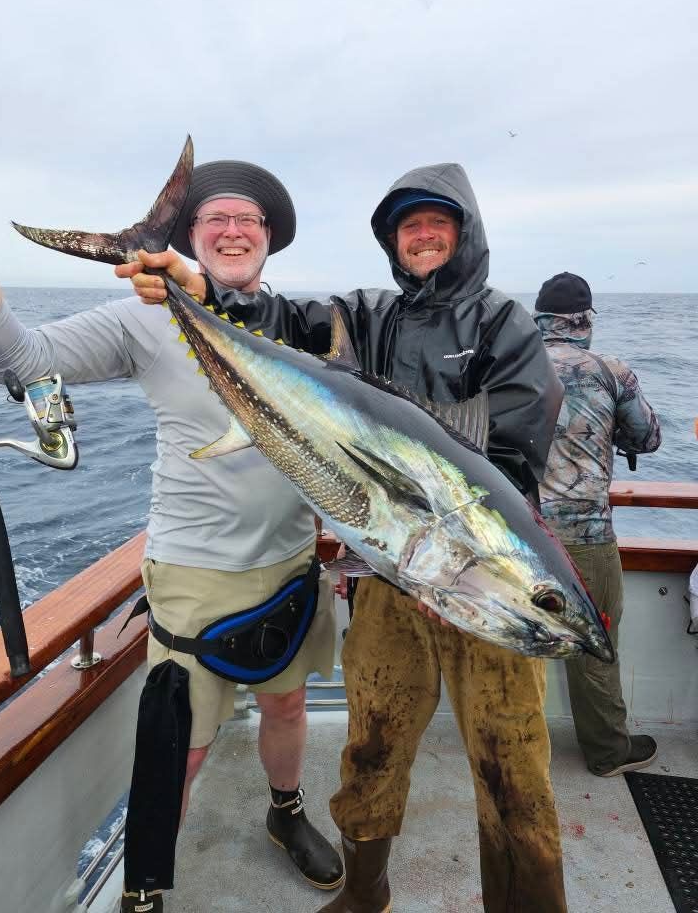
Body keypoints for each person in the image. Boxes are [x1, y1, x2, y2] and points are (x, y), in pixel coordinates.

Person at [125, 163, 569, 913]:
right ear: (392, 243)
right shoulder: (370, 317)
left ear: (466, 234)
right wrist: (198, 287)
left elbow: (515, 461)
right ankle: (366, 895)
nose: (422, 236)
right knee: (372, 746)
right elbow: (279, 325)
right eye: (408, 226)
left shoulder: (503, 323)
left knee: (511, 769)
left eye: (437, 222)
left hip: (486, 586)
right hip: (391, 578)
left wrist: (457, 570)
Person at [0, 161, 343, 913]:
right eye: (216, 220)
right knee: (186, 746)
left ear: (269, 239)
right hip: (195, 573)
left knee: (289, 707)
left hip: (295, 562)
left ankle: (286, 809)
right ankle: (144, 886)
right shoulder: (146, 318)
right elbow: (21, 363)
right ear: (191, 239)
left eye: (249, 220)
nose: (234, 230)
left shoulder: (305, 329)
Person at [533, 272, 662, 778]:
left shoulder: (508, 365)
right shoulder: (612, 371)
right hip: (586, 538)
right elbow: (647, 437)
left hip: (518, 533)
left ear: (539, 319)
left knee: (516, 639)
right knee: (596, 642)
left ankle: (508, 746)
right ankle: (608, 751)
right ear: (585, 321)